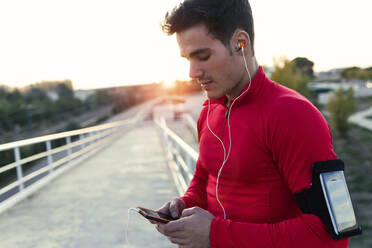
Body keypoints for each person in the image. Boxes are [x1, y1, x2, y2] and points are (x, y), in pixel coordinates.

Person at [154, 0, 349, 247]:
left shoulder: (294, 115)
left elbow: (330, 235)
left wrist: (215, 234)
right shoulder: (208, 112)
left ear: (240, 43)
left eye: (202, 56)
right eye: (187, 59)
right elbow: (204, 180)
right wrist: (184, 205)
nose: (192, 72)